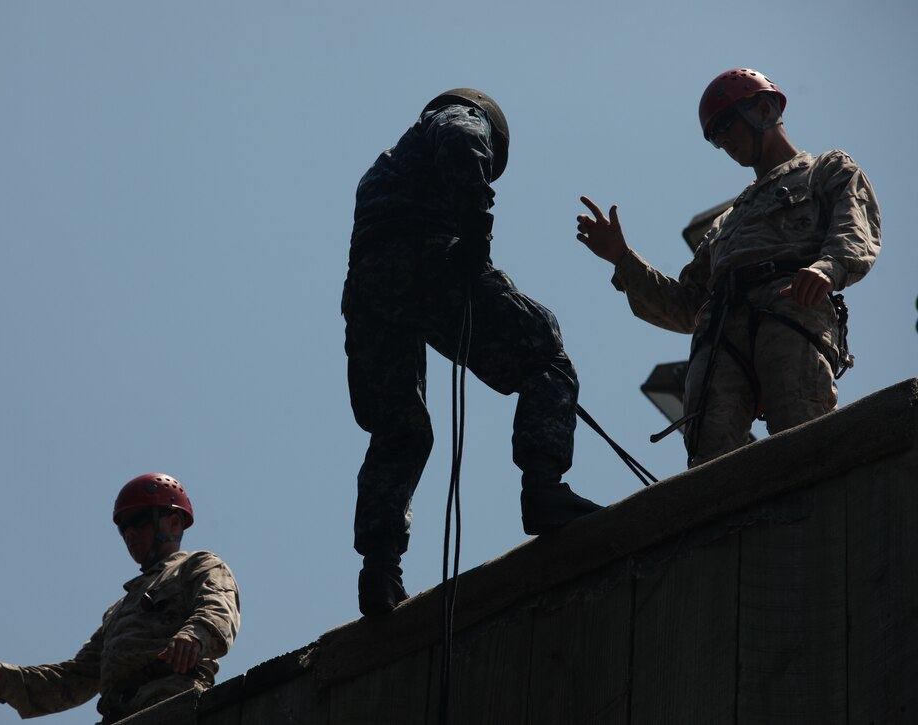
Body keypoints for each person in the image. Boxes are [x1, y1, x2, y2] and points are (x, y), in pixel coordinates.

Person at [342, 88, 601, 617]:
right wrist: (475, 236)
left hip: (369, 294)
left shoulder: (383, 169)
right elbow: (463, 140)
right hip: (428, 261)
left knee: (400, 428)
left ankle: (380, 570)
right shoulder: (460, 115)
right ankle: (544, 489)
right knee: (545, 355)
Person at [576, 68, 881, 467]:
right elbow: (686, 306)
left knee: (803, 432)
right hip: (719, 331)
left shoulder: (825, 169)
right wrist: (622, 259)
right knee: (709, 455)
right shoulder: (726, 223)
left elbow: (855, 228)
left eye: (725, 124)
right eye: (714, 136)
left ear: (764, 109)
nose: (723, 140)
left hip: (790, 311)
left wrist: (829, 267)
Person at [0, 473, 240, 724]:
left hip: (170, 704)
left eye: (139, 521)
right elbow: (74, 679)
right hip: (120, 716)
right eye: (123, 527)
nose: (130, 533)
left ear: (174, 523)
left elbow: (218, 607)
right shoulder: (118, 612)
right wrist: (3, 679)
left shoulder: (198, 566)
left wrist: (194, 636)